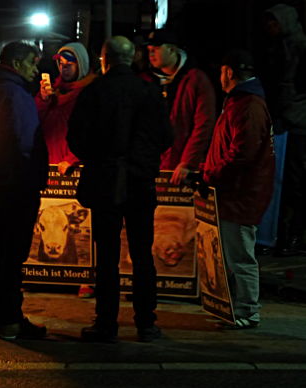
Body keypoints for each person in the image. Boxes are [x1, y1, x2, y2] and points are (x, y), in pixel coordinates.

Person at [67, 36, 172, 342]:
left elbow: (78, 139)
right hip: (139, 181)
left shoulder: (94, 92)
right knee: (142, 254)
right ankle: (146, 323)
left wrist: (100, 157)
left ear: (104, 59)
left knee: (107, 256)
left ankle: (106, 322)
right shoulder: (149, 92)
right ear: (132, 58)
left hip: (104, 180)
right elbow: (165, 136)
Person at [0, 40, 49, 340]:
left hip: (3, 182)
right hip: (17, 184)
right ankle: (9, 317)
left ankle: (5, 316)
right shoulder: (13, 94)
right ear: (17, 64)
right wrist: (27, 177)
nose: (35, 70)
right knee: (11, 253)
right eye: (32, 63)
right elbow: (23, 143)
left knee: (4, 250)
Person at [202, 49, 275, 329]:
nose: (219, 76)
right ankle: (236, 307)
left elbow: (242, 152)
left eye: (221, 71)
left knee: (240, 254)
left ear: (229, 72)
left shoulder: (247, 104)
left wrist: (212, 174)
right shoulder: (242, 102)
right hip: (236, 191)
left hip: (240, 193)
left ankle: (246, 309)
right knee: (233, 252)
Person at [35, 41, 96, 298]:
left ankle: (87, 278)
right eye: (60, 63)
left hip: (75, 163)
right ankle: (46, 273)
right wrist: (42, 99)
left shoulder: (91, 92)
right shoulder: (54, 90)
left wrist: (73, 157)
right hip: (50, 161)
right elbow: (36, 120)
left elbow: (92, 129)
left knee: (84, 224)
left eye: (69, 63)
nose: (64, 68)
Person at [260, 4, 306, 256]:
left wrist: (289, 113)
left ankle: (292, 233)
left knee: (293, 180)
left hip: (295, 123)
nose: (270, 28)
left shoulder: (297, 47)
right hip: (282, 120)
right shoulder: (277, 48)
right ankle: (279, 234)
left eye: (273, 22)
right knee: (279, 179)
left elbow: (294, 88)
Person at [146, 29, 216, 184]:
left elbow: (204, 124)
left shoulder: (196, 80)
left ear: (172, 49)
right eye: (149, 50)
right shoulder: (148, 80)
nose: (151, 54)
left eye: (156, 49)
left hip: (182, 171)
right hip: (153, 167)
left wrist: (188, 161)